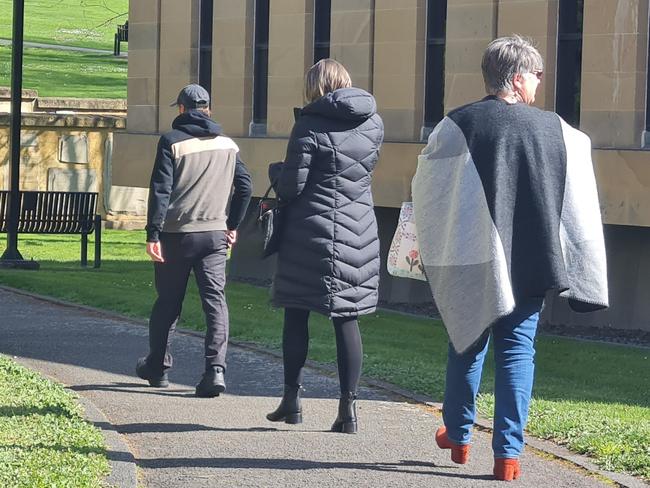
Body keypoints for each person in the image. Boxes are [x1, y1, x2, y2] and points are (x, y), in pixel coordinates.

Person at [412, 36, 608, 480]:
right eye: (537, 75)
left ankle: (458, 438)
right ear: (518, 78)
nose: (540, 83)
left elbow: (428, 189)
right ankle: (508, 457)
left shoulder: (456, 124)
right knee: (517, 352)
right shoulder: (557, 130)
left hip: (471, 257)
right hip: (533, 260)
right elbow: (577, 195)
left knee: (466, 345)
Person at [265, 59, 384, 433]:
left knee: (296, 314)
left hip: (310, 233)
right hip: (358, 231)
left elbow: (291, 188)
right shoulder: (374, 123)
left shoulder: (308, 124)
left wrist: (276, 171)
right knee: (346, 319)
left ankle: (292, 400)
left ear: (313, 87)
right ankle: (348, 411)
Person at [136, 84, 252, 398]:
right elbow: (244, 187)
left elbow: (160, 190)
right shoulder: (228, 145)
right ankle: (215, 371)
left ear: (182, 109)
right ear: (208, 109)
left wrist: (153, 234)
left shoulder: (171, 141)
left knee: (168, 303)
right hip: (214, 236)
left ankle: (158, 368)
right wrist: (232, 225)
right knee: (215, 302)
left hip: (176, 235)